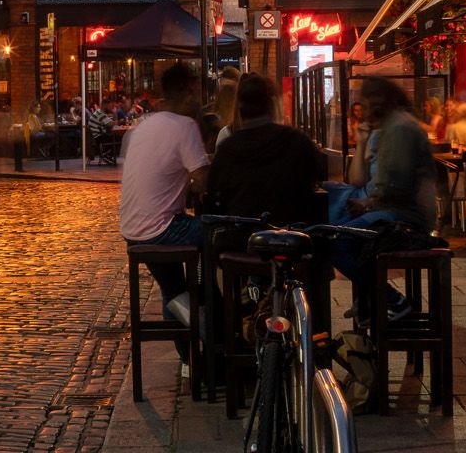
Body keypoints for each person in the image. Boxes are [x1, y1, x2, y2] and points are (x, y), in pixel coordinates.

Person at [119, 63, 211, 345]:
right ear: (185, 92)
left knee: (173, 289)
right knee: (220, 233)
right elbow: (206, 181)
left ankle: (190, 355)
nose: (200, 100)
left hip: (132, 230)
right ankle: (215, 327)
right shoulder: (185, 125)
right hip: (162, 228)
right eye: (196, 93)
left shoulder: (145, 125)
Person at [330, 78, 437, 319]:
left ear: (376, 102)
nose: (362, 111)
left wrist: (367, 203)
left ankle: (392, 300)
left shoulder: (400, 129)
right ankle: (369, 300)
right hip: (392, 210)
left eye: (364, 104)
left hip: (405, 218)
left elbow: (395, 186)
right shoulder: (389, 128)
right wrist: (362, 141)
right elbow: (357, 180)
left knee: (336, 240)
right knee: (335, 223)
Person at [207, 74, 327, 231]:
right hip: (291, 237)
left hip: (240, 239)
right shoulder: (297, 141)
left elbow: (213, 192)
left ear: (239, 108)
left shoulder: (227, 148)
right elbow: (317, 178)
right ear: (271, 105)